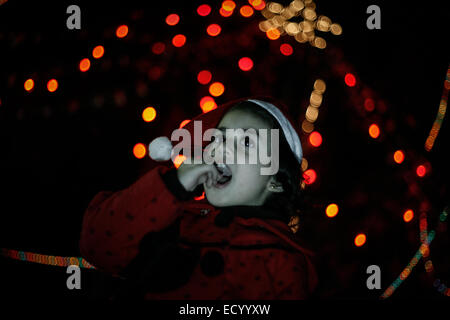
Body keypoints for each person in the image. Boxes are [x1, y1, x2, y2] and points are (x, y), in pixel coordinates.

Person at [79, 96, 318, 299]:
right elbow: (99, 245)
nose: (220, 148)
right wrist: (173, 185)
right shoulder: (172, 219)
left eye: (246, 141)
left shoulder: (284, 261)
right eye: (217, 138)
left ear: (276, 181)